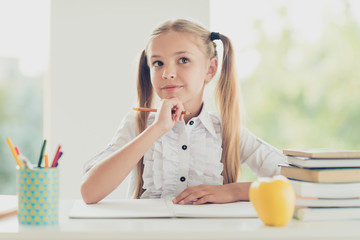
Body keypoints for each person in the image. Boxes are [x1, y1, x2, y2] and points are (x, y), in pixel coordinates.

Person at [80, 19, 286, 205]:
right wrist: (157, 129)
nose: (167, 73)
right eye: (158, 63)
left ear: (210, 69)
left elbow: (303, 184)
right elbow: (89, 192)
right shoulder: (138, 124)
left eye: (183, 60)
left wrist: (235, 191)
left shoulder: (225, 130)